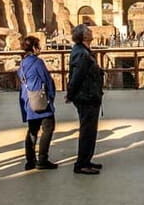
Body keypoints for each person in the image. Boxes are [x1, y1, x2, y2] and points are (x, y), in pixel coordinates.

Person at [66, 24, 104, 175]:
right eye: (88, 31)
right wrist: (70, 94)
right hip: (86, 97)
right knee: (87, 131)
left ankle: (86, 160)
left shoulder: (84, 51)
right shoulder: (81, 53)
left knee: (90, 130)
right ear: (83, 36)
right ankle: (81, 164)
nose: (91, 31)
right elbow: (77, 76)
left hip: (90, 95)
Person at [18, 35, 58, 170]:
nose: (40, 49)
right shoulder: (37, 62)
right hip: (40, 100)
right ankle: (42, 159)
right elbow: (47, 80)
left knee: (32, 130)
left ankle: (30, 160)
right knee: (48, 128)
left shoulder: (22, 63)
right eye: (38, 46)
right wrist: (51, 98)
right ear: (34, 48)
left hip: (28, 101)